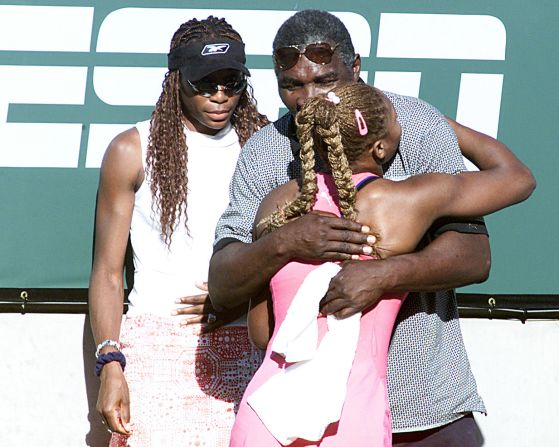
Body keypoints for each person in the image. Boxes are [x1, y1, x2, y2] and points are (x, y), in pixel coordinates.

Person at [208, 10, 536, 446]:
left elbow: (474, 256)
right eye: (292, 85)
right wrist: (286, 241)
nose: (308, 98)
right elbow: (225, 282)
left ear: (356, 68)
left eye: (324, 80)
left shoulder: (415, 128)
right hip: (293, 413)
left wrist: (383, 274)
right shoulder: (266, 152)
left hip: (424, 406)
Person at [88, 16, 268, 447]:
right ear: (176, 82)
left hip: (249, 344)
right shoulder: (131, 149)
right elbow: (108, 273)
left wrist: (234, 293)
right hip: (157, 346)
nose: (220, 95)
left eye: (231, 81)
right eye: (204, 83)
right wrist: (110, 363)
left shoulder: (266, 144)